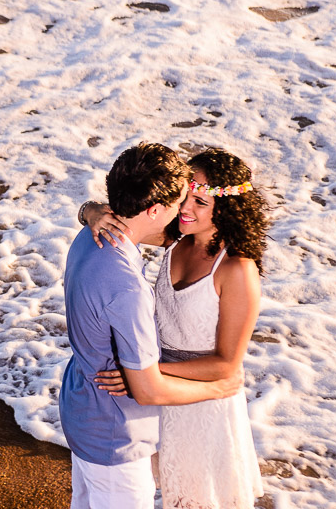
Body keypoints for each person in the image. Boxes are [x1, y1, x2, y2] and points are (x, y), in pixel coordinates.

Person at [82, 147, 267, 509]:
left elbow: (227, 366)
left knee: (194, 500)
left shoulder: (236, 270)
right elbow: (128, 215)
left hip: (199, 398)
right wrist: (90, 212)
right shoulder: (177, 237)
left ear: (224, 209)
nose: (185, 209)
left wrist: (144, 372)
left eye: (200, 202)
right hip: (156, 392)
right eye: (185, 195)